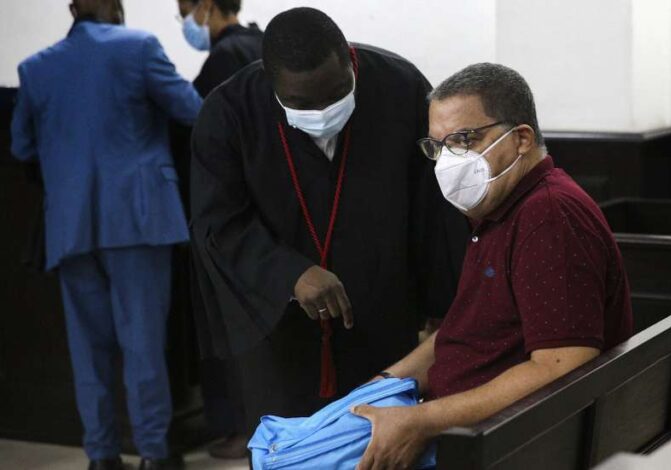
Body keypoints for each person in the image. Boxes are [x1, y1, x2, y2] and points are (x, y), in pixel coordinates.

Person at [189, 6, 467, 438]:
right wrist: (290, 273)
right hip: (281, 328)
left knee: (380, 443)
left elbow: (433, 208)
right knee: (293, 448)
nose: (322, 111)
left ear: (349, 60)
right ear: (271, 83)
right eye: (302, 103)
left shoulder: (401, 87)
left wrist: (442, 305)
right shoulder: (228, 111)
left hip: (383, 313)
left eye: (337, 93)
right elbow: (217, 223)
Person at [351, 63, 634, 470]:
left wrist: (422, 421)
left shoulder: (548, 216)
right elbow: (464, 330)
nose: (448, 160)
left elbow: (562, 364)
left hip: (505, 443)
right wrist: (381, 385)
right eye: (438, 146)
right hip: (463, 430)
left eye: (463, 140)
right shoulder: (499, 208)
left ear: (521, 139)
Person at [10, 1, 202, 469]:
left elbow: (21, 146)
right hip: (139, 220)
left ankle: (101, 456)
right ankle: (154, 453)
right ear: (115, 7)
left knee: (88, 353)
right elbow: (192, 109)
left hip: (70, 226)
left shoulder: (35, 67)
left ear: (72, 8)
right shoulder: (139, 46)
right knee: (143, 345)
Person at [170, 0, 264, 459]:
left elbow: (201, 136)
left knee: (225, 326)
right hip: (268, 210)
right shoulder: (262, 45)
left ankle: (239, 427)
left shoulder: (224, 59)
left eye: (184, 9)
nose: (184, 21)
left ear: (205, 6)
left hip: (228, 214)